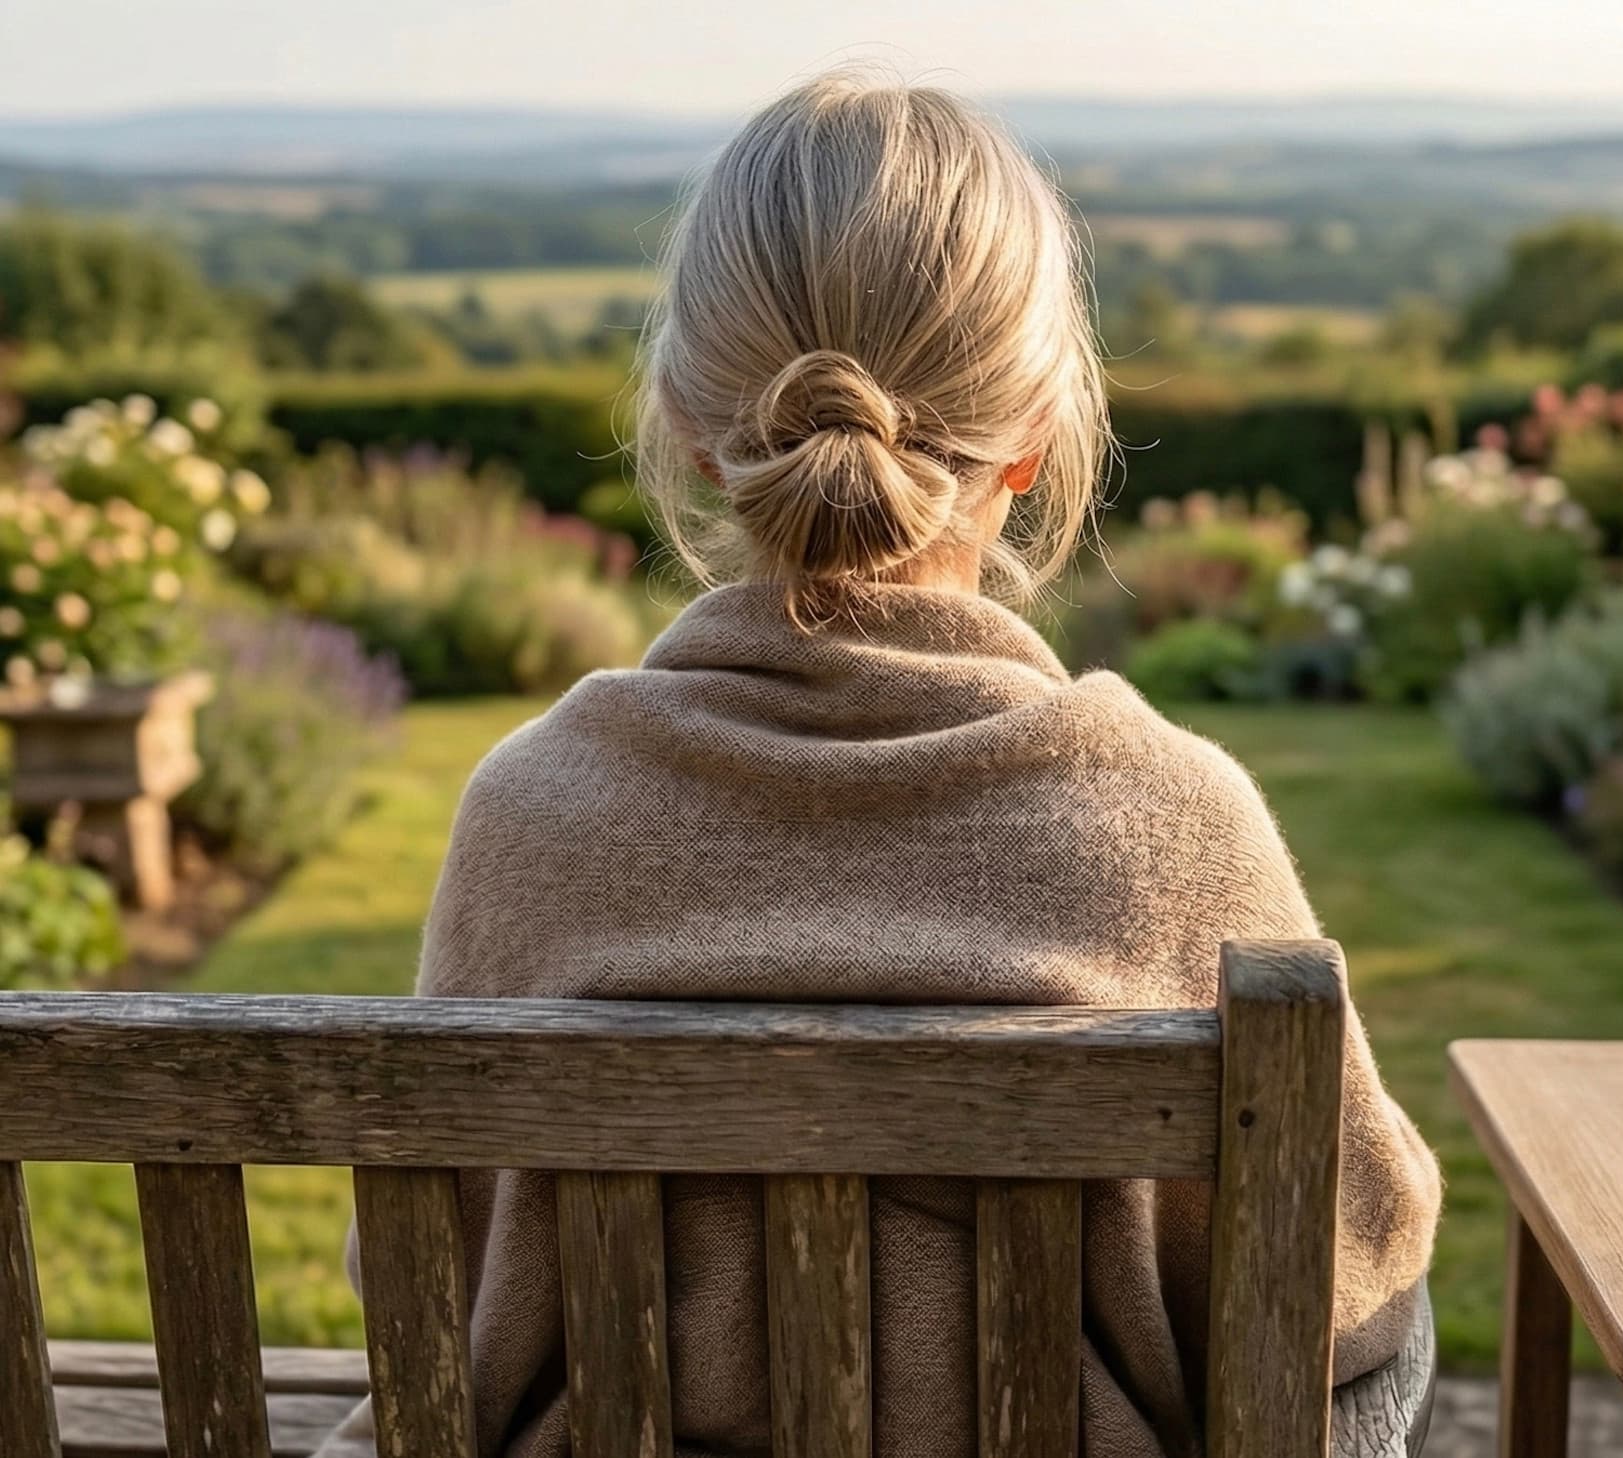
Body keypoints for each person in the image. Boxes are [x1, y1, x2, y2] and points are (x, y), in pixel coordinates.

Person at [317, 70, 1439, 1458]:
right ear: (1033, 441)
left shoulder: (531, 813)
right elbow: (1342, 1288)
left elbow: (420, 1298)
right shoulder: (1173, 819)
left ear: (692, 428)